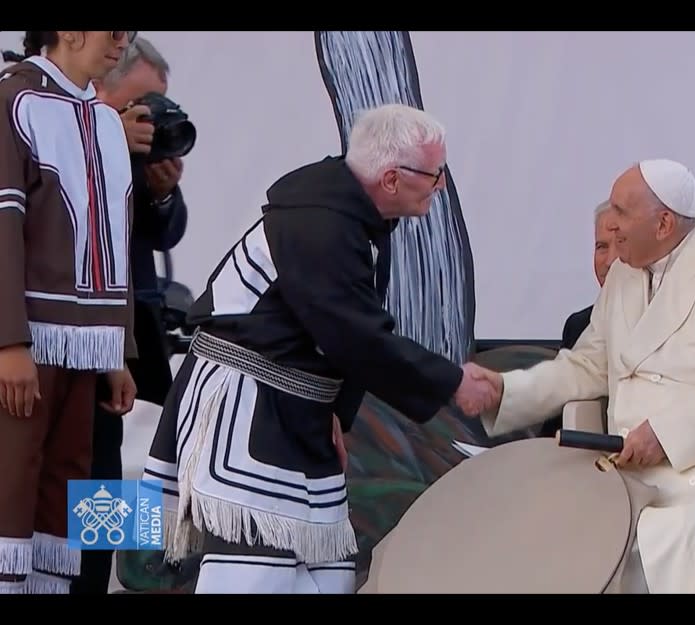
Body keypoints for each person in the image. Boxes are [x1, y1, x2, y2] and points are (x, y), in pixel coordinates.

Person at [141, 103, 497, 594]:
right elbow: (351, 331)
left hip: (300, 407)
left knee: (324, 571)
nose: (441, 187)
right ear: (392, 178)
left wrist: (338, 410)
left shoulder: (356, 219)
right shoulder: (319, 222)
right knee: (254, 566)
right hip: (248, 403)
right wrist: (452, 381)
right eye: (436, 175)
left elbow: (349, 327)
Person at [465, 159, 695, 593]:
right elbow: (587, 365)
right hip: (633, 464)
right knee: (554, 520)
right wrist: (508, 391)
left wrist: (665, 434)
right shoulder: (624, 276)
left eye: (622, 213)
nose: (611, 225)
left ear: (663, 224)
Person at [0, 31, 139, 595]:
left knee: (81, 495)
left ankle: (93, 587)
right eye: (115, 32)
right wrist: (8, 339)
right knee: (12, 495)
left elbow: (132, 238)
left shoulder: (105, 122)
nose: (121, 43)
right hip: (31, 338)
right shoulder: (16, 100)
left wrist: (120, 351)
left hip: (102, 346)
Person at [71, 36, 189, 596]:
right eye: (141, 105)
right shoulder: (58, 129)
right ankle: (85, 574)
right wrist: (105, 142)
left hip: (134, 316)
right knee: (85, 459)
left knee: (136, 452)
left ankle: (130, 575)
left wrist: (162, 193)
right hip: (68, 323)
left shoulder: (134, 155)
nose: (152, 119)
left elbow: (163, 230)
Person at [538, 200, 619, 437]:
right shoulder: (580, 325)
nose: (609, 261)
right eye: (601, 247)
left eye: (621, 245)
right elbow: (553, 424)